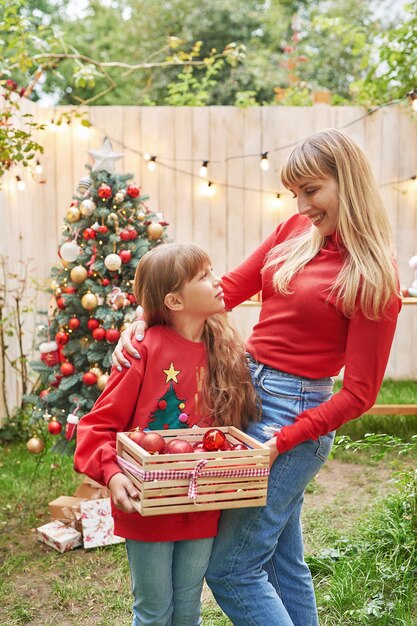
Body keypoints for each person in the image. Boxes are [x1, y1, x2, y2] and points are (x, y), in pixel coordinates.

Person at [111, 128, 401, 626]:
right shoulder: (293, 233)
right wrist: (143, 318)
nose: (302, 204)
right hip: (247, 394)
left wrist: (281, 441)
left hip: (293, 418)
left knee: (233, 570)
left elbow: (360, 393)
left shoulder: (373, 275)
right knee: (284, 562)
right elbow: (224, 289)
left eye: (312, 191)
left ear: (346, 183)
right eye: (296, 193)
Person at [74, 242, 259, 626]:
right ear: (174, 301)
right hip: (149, 505)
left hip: (201, 505)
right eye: (203, 276)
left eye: (212, 270)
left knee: (189, 608)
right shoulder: (143, 349)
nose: (217, 280)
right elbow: (97, 426)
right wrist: (113, 473)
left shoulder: (223, 350)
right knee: (154, 611)